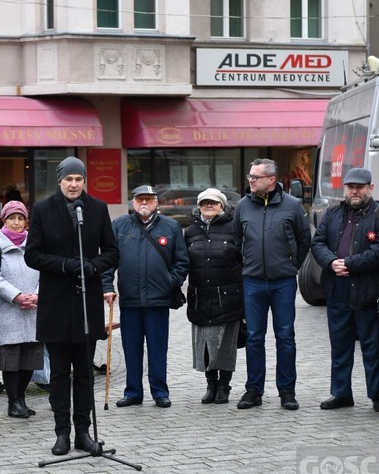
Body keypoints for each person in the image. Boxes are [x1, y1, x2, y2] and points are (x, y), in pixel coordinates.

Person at [24, 156, 119, 456]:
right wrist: (66, 265)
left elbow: (113, 252)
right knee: (59, 374)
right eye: (69, 179)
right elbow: (32, 255)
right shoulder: (42, 210)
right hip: (55, 305)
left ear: (84, 181)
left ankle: (83, 432)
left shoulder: (97, 209)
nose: (74, 184)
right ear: (60, 180)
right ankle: (61, 432)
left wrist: (93, 266)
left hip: (86, 305)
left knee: (85, 373)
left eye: (79, 179)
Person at [311, 168, 379, 412]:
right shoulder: (332, 213)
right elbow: (317, 242)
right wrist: (331, 262)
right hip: (337, 291)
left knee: (373, 346)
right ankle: (341, 393)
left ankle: (377, 395)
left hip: (369, 291)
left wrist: (350, 264)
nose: (354, 191)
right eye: (350, 187)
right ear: (345, 189)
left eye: (360, 186)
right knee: (340, 345)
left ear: (371, 188)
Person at [101, 185, 188, 408]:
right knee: (131, 347)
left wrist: (170, 282)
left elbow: (182, 261)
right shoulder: (120, 226)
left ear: (157, 202)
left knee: (158, 347)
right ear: (133, 203)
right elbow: (108, 260)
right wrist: (106, 286)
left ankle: (160, 392)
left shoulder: (171, 227)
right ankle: (133, 392)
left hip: (158, 299)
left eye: (149, 199)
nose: (144, 204)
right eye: (140, 199)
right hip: (130, 298)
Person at [233, 158, 310, 411]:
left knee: (285, 337)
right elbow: (237, 240)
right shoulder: (243, 206)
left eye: (255, 177)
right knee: (254, 337)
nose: (251, 180)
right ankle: (254, 390)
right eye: (250, 177)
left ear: (271, 180)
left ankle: (287, 391)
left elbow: (303, 240)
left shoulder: (292, 206)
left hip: (283, 283)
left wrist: (290, 267)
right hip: (252, 282)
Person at [184, 188, 243, 405]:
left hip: (228, 297)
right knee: (205, 345)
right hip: (200, 297)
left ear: (222, 205)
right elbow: (182, 262)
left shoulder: (234, 230)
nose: (209, 206)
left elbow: (244, 261)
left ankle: (224, 385)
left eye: (214, 203)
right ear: (198, 206)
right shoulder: (190, 232)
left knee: (225, 345)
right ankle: (210, 384)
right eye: (205, 203)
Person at [0, 200, 41, 418]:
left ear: (26, 221)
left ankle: (21, 399)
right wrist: (17, 297)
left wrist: (36, 294)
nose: (16, 223)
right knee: (11, 359)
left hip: (33, 308)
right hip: (7, 310)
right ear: (4, 220)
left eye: (20, 218)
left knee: (30, 357)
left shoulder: (35, 242)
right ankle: (13, 402)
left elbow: (44, 270)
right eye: (11, 218)